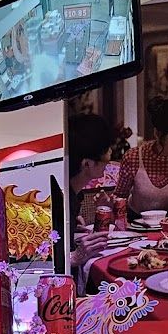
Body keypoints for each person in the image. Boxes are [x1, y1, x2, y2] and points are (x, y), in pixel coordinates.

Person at [66, 113, 118, 270]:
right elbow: (33, 259)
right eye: (106, 150)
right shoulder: (55, 200)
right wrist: (74, 258)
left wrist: (72, 226)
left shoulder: (72, 194)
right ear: (87, 164)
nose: (110, 154)